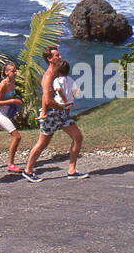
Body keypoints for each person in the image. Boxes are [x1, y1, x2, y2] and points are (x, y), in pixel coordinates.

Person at [22, 50, 88, 182]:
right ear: (49, 59)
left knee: (78, 137)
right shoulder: (48, 77)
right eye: (57, 55)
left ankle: (72, 170)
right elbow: (47, 100)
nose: (60, 56)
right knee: (42, 144)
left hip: (61, 113)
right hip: (52, 114)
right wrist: (61, 107)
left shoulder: (58, 74)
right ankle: (28, 171)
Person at [0, 61, 24, 173]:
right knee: (17, 137)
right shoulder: (3, 84)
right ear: (7, 72)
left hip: (5, 112)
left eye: (15, 70)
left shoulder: (12, 82)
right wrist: (13, 100)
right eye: (13, 71)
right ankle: (11, 164)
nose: (15, 73)